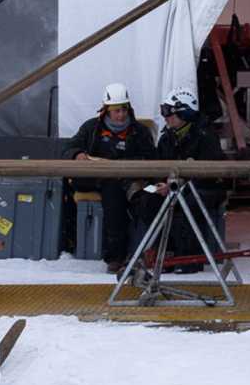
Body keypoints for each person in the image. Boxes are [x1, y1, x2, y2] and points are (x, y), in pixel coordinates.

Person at [66, 82, 158, 273]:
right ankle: (115, 257)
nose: (121, 115)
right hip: (101, 181)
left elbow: (151, 158)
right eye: (116, 110)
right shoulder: (92, 128)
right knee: (114, 201)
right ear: (106, 110)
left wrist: (126, 166)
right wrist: (77, 155)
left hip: (132, 179)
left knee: (146, 202)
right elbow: (69, 147)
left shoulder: (139, 131)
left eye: (124, 109)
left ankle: (144, 252)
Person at [154, 87, 226, 259]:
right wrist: (159, 183)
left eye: (169, 112)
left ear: (184, 114)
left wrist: (179, 187)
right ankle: (164, 251)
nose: (165, 116)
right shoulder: (167, 138)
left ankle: (188, 257)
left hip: (205, 188)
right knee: (149, 201)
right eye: (164, 111)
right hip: (175, 186)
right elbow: (158, 165)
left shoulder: (205, 136)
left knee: (189, 202)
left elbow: (208, 174)